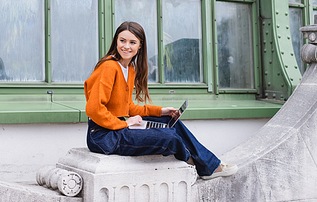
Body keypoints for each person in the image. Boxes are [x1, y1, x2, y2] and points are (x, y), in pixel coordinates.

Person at [84, 21, 238, 179]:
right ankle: (198, 164)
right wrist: (124, 124)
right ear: (116, 41)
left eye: (132, 42)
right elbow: (94, 109)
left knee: (169, 120)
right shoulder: (109, 67)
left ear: (140, 46)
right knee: (168, 137)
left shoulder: (129, 69)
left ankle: (211, 166)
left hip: (117, 128)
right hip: (103, 136)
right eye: (122, 40)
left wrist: (160, 111)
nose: (126, 46)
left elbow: (128, 107)